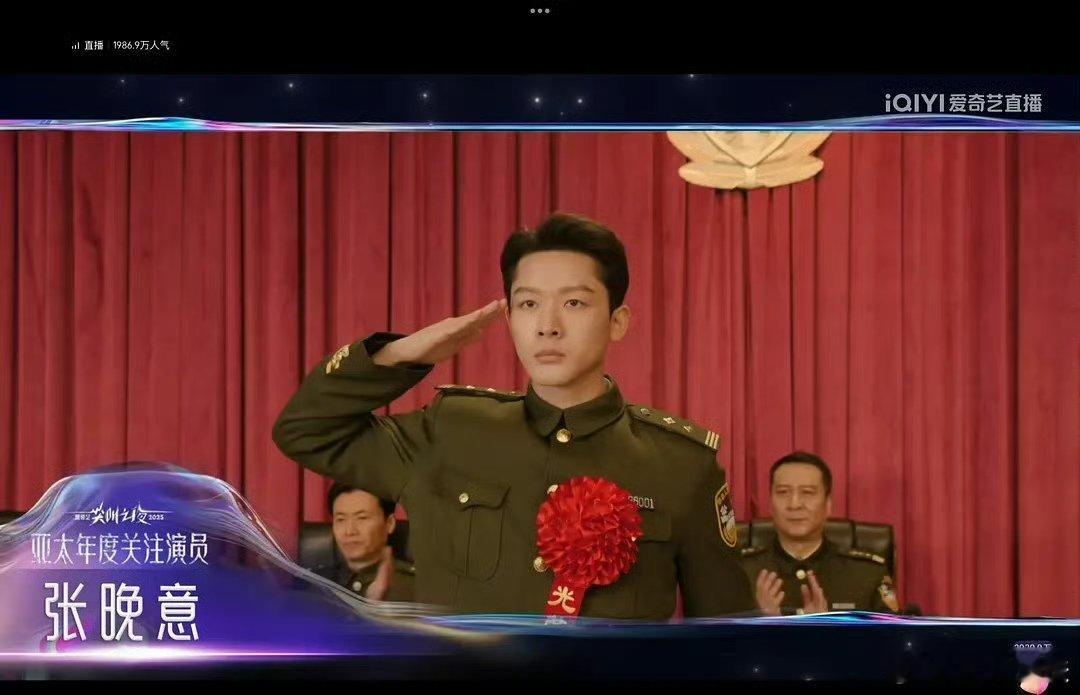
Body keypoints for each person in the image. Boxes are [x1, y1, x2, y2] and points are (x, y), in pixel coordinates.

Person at [273, 212, 754, 619]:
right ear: (509, 320)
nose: (547, 326)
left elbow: (728, 636)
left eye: (574, 303)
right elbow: (305, 431)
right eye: (528, 304)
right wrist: (402, 353)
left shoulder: (681, 465)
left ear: (617, 321)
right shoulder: (451, 430)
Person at [739, 451, 900, 615]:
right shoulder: (740, 571)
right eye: (783, 492)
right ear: (770, 505)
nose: (794, 504)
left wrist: (824, 626)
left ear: (828, 504)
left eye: (807, 492)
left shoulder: (867, 573)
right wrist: (762, 622)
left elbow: (892, 630)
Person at [311, 482, 415, 602]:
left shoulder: (416, 586)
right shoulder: (314, 585)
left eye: (362, 518)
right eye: (341, 519)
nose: (350, 531)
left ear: (389, 523)